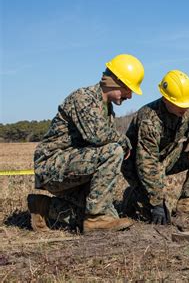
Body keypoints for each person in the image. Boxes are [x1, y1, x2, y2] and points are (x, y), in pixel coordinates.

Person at [29, 54, 145, 233]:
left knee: (107, 216)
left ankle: (43, 207)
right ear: (114, 81)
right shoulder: (84, 97)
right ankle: (96, 218)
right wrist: (123, 140)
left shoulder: (107, 108)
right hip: (52, 165)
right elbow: (97, 136)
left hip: (75, 166)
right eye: (128, 89)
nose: (129, 96)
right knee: (113, 150)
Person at [121, 69, 189, 225]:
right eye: (179, 105)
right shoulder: (149, 119)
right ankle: (134, 194)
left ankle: (187, 201)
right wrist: (157, 202)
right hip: (138, 166)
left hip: (166, 157)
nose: (185, 110)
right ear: (166, 99)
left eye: (187, 105)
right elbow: (147, 164)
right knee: (150, 213)